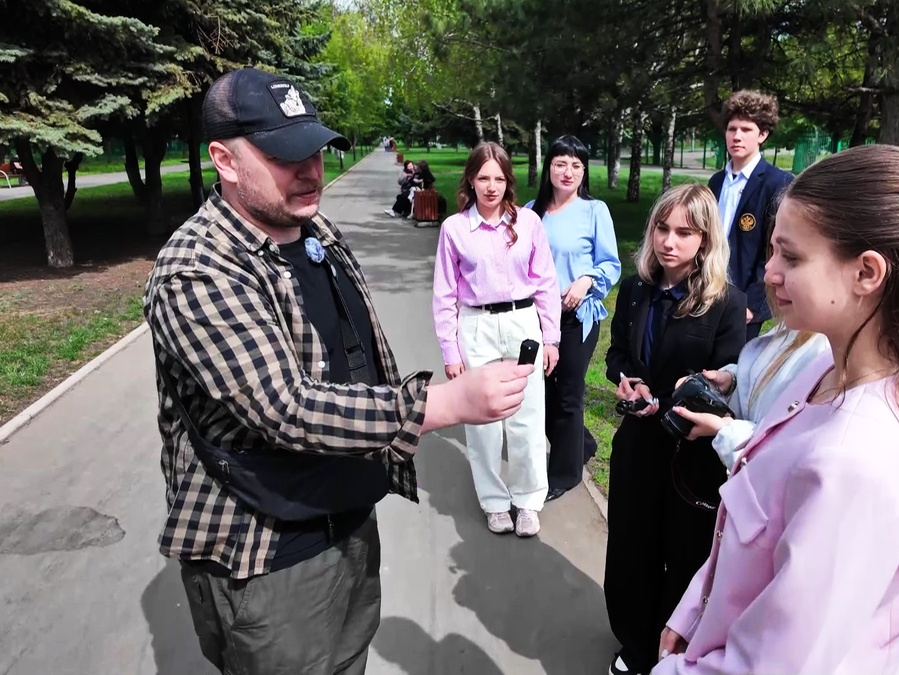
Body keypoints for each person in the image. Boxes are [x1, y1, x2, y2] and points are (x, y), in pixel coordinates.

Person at [143, 67, 536, 675]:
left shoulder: (312, 227)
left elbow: (362, 350)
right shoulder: (197, 268)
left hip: (346, 515)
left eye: (316, 151)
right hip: (267, 551)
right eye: (283, 154)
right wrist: (444, 404)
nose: (310, 170)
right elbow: (283, 406)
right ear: (223, 158)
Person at [652, 144, 899, 674]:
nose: (768, 272)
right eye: (772, 251)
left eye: (791, 257)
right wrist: (695, 607)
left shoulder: (855, 461)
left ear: (867, 273)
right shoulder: (823, 376)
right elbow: (756, 534)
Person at [603, 184, 748, 675]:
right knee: (630, 546)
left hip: (691, 456)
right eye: (662, 229)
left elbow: (728, 379)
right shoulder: (636, 288)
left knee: (682, 554)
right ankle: (634, 642)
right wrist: (625, 380)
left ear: (705, 239)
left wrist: (691, 393)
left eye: (684, 232)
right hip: (637, 445)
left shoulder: (727, 303)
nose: (669, 242)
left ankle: (672, 647)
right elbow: (616, 354)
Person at [432, 141, 562, 537]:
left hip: (523, 323)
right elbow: (445, 294)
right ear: (471, 180)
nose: (492, 186)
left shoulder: (529, 223)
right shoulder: (454, 229)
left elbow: (545, 283)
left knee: (527, 417)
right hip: (477, 327)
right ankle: (493, 501)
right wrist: (450, 349)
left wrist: (551, 338)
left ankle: (527, 499)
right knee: (483, 422)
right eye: (484, 178)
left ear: (509, 181)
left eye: (499, 178)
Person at [525, 135, 621, 501]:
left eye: (577, 165)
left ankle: (564, 475)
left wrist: (586, 280)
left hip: (578, 318)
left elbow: (611, 263)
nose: (568, 172)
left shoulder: (595, 211)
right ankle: (581, 442)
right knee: (541, 395)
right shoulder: (532, 211)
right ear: (548, 166)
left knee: (568, 396)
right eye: (561, 163)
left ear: (584, 171)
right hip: (536, 319)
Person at [676, 322, 830, 472]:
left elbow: (785, 463)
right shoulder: (794, 327)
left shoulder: (828, 358)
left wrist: (725, 430)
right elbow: (766, 390)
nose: (776, 294)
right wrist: (733, 382)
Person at [707, 89, 793, 343]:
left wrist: (753, 305)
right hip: (708, 292)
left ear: (763, 134)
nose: (737, 136)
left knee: (734, 373)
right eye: (732, 129)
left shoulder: (777, 183)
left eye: (746, 130)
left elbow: (774, 249)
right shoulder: (717, 181)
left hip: (744, 302)